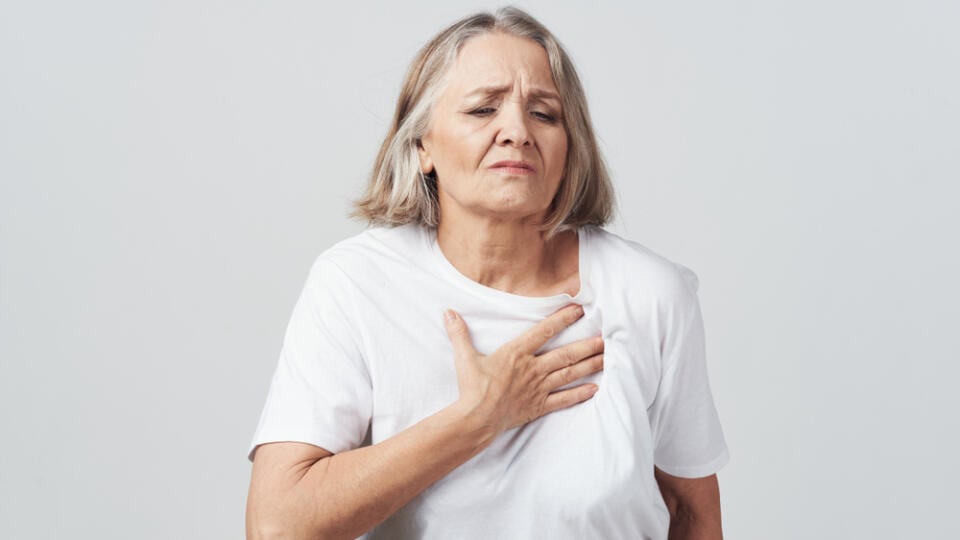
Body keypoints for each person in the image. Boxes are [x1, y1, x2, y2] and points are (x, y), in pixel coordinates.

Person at [246, 7, 729, 539]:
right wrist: (477, 419)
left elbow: (692, 515)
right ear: (421, 145)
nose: (517, 131)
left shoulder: (650, 293)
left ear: (570, 150)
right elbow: (277, 526)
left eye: (545, 114)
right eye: (482, 109)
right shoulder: (356, 285)